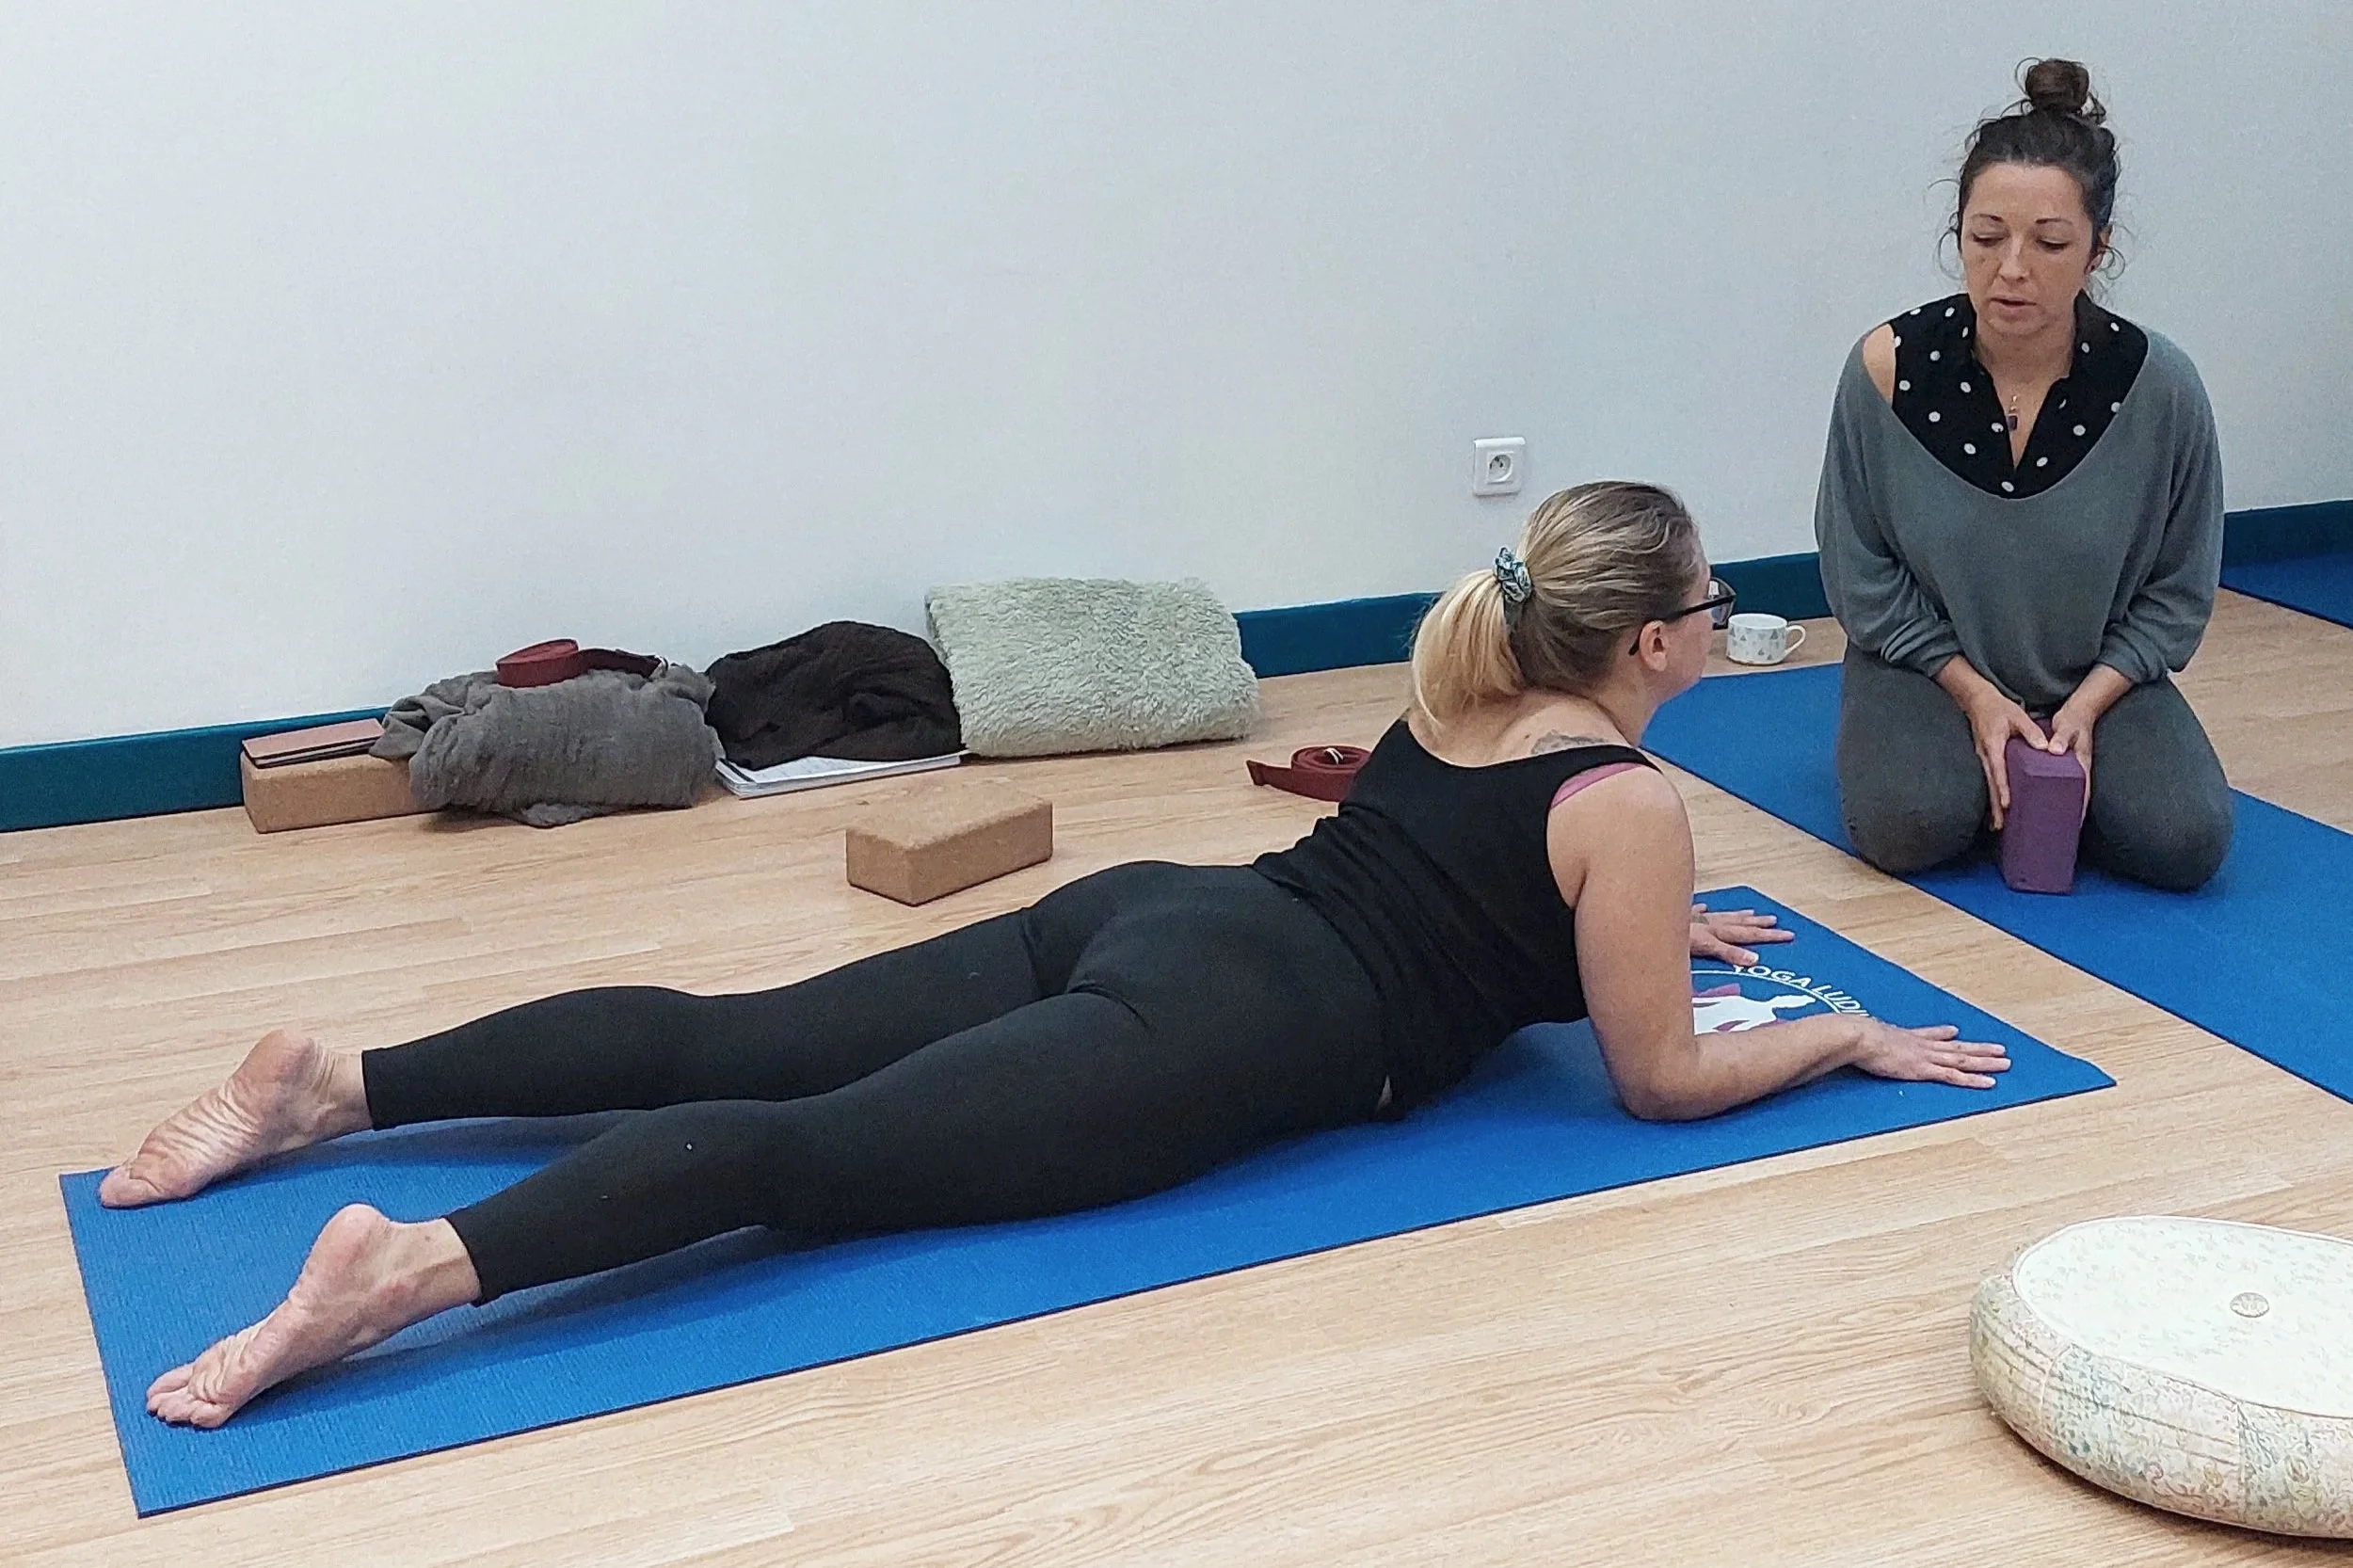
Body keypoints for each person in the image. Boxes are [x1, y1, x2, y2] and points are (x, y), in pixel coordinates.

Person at [104, 481, 2008, 1429]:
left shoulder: (1470, 674)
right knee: (806, 1162)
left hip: (1170, 908)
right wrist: (1831, 1029)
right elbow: (1657, 1072)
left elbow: (1488, 887)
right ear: (1666, 644)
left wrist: (1666, 931)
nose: (1717, 619)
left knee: (734, 1034)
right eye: (1706, 605)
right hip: (1224, 1025)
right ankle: (407, 1271)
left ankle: (337, 1084)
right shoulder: (1632, 809)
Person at [1816, 57, 2232, 889]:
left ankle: (2051, 763)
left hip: (2096, 676)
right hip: (1927, 667)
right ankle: (1954, 752)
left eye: (2048, 243)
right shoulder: (1887, 370)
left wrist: (2083, 710)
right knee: (1912, 824)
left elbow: (2179, 591)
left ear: (2096, 251)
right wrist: (1972, 693)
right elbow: (1859, 573)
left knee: (2185, 843)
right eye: (1985, 236)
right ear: (1958, 234)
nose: (2012, 268)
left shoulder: (2162, 388)